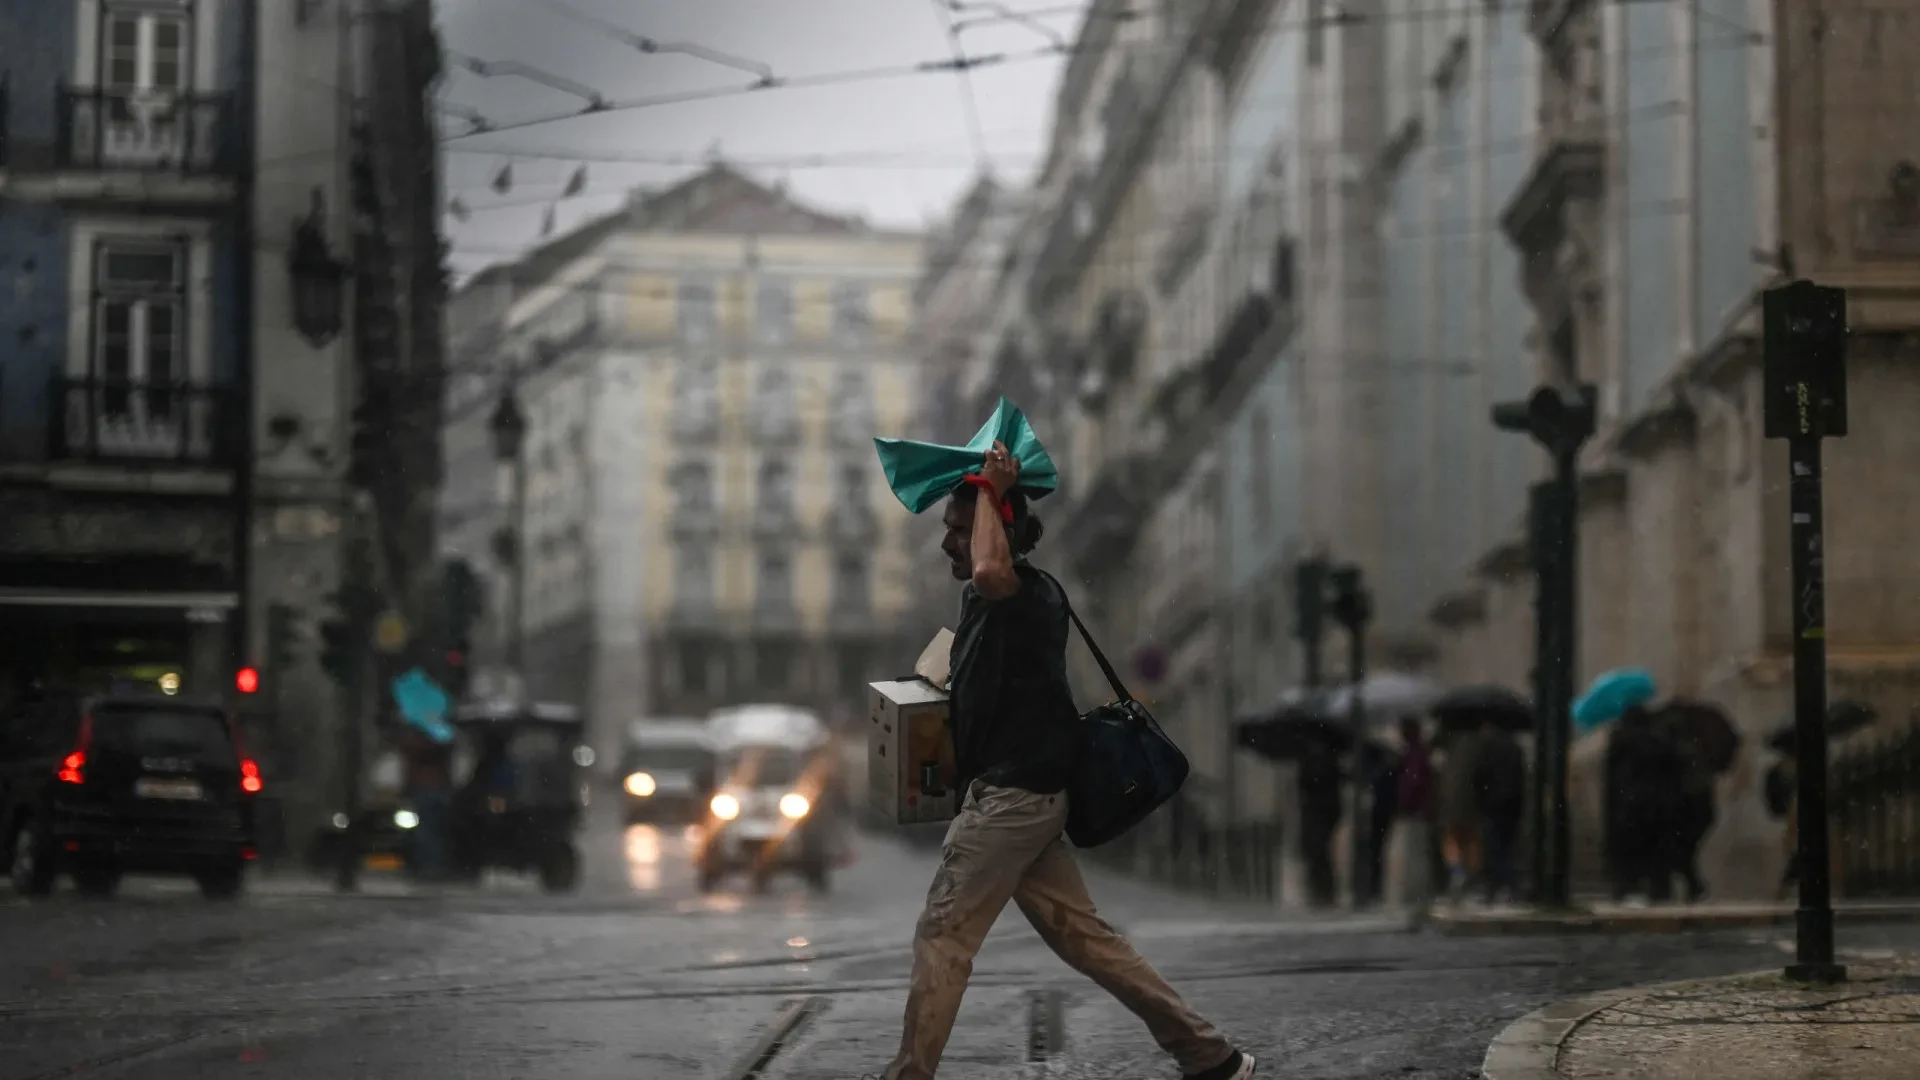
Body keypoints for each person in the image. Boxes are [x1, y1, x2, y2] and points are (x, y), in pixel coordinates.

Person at [880, 442, 1256, 1080]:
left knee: (942, 935)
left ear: (992, 530)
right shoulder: (985, 604)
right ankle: (1209, 1055)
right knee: (1089, 941)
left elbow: (993, 571)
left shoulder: (1019, 589)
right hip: (1027, 799)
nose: (945, 542)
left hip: (1011, 801)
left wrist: (995, 491)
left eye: (956, 529)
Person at [1603, 705, 1684, 903]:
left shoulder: (1620, 739)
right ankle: (1659, 890)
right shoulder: (1660, 741)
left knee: (1628, 850)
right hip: (1657, 805)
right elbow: (1673, 774)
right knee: (1656, 851)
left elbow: (1611, 777)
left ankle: (1627, 888)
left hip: (1628, 804)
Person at [1472, 719, 1527, 905]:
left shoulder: (1489, 749)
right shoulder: (1514, 748)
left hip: (1494, 806)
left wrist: (1481, 798)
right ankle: (1506, 887)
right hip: (1512, 806)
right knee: (1506, 847)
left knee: (1496, 849)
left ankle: (1504, 887)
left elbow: (1480, 775)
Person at [1394, 717, 1437, 908]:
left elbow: (1412, 783)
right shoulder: (1418, 753)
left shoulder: (1415, 754)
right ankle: (1417, 894)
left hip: (1416, 810)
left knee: (1416, 853)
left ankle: (1417, 894)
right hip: (1419, 809)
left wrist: (1405, 803)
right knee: (1417, 853)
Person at [1297, 739, 1344, 909]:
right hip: (1317, 813)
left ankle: (1324, 892)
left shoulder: (1326, 762)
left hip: (1321, 813)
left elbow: (1313, 784)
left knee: (1319, 852)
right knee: (1315, 852)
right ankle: (1319, 891)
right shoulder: (1312, 761)